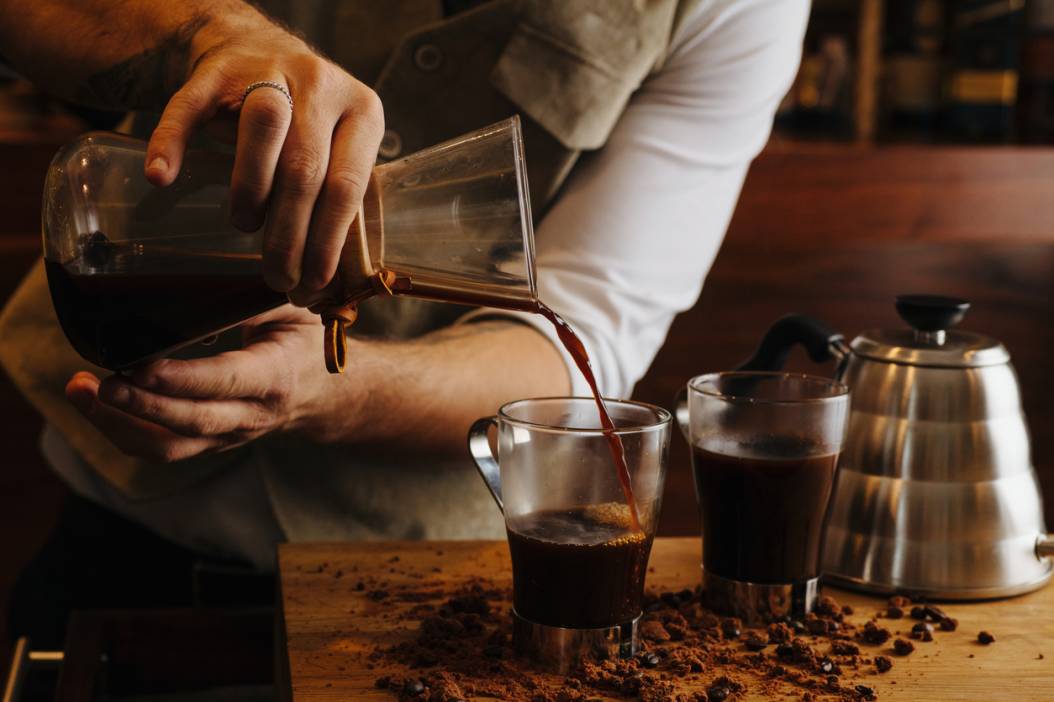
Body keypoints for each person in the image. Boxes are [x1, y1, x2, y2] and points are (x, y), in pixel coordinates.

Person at [0, 0, 809, 646]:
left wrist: (321, 390)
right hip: (121, 551)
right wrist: (212, 32)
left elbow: (575, 336)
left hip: (429, 601)